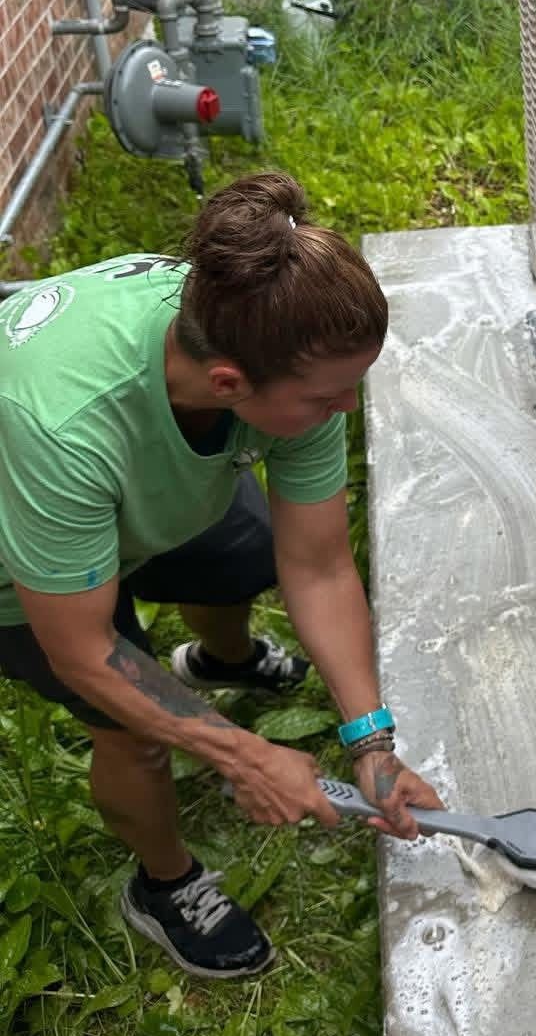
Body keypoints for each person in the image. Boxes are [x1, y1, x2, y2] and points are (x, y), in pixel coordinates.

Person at [0, 171, 443, 978]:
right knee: (134, 731)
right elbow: (83, 651)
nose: (347, 409)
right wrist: (241, 755)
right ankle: (164, 885)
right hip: (19, 557)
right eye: (326, 398)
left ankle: (221, 661)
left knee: (245, 549)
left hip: (131, 489)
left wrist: (371, 744)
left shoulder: (267, 332)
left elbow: (316, 563)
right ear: (232, 384)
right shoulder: (63, 422)